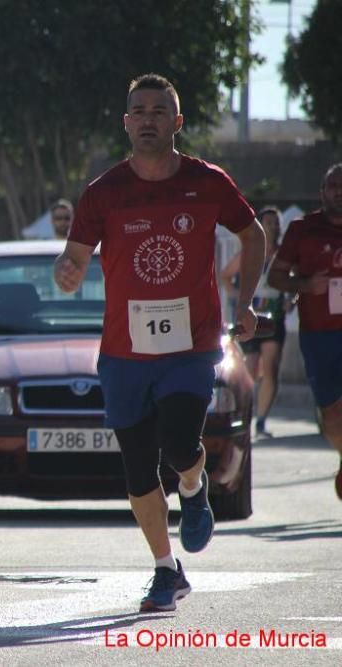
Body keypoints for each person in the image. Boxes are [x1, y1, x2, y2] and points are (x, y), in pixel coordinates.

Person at [53, 74, 266, 613]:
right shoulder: (103, 193)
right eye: (138, 111)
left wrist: (243, 304)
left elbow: (253, 234)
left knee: (177, 444)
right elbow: (75, 256)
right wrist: (67, 270)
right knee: (138, 466)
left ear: (177, 122)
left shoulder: (207, 182)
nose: (147, 118)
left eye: (158, 110)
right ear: (126, 123)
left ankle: (193, 487)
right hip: (124, 352)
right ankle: (166, 570)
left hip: (190, 345)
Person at [267, 163, 342, 501]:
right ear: (322, 192)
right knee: (330, 411)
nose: (339, 191)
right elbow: (275, 278)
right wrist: (306, 284)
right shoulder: (302, 230)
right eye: (333, 186)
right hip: (319, 335)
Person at [220, 207, 293, 438]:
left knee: (270, 367)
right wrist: (237, 297)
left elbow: (297, 281)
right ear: (260, 225)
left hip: (274, 315)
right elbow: (225, 276)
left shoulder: (284, 254)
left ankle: (261, 421)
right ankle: (247, 415)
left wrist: (292, 300)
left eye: (276, 222)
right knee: (250, 367)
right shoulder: (249, 252)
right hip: (250, 315)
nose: (273, 226)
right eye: (268, 222)